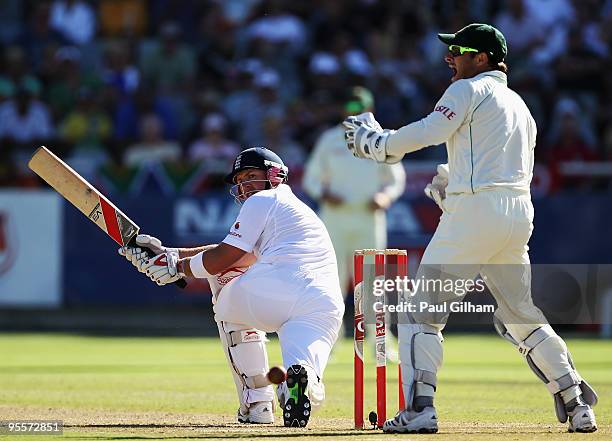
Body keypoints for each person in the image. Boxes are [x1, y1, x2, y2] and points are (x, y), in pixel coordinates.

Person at [343, 23, 598, 434]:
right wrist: (457, 185)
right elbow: (504, 170)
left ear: (481, 58)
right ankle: (575, 398)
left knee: (417, 313)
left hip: (477, 215)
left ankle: (420, 409)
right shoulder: (520, 106)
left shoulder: (468, 90)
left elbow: (430, 130)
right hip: (516, 216)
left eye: (457, 50)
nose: (450, 57)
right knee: (520, 314)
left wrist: (378, 144)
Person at [119, 147, 344, 428]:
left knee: (225, 290)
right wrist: (169, 254)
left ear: (275, 175)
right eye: (239, 181)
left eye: (250, 176)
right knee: (304, 367)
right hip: (325, 304)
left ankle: (258, 402)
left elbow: (224, 259)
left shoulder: (262, 200)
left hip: (281, 286)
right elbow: (234, 253)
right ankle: (299, 386)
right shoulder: (298, 211)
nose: (243, 186)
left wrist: (175, 267)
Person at [303, 87, 405, 298]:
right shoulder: (329, 139)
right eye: (350, 106)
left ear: (370, 109)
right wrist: (324, 193)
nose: (354, 111)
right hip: (334, 216)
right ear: (343, 109)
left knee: (372, 276)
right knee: (331, 276)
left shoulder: (380, 139)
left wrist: (385, 196)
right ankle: (332, 332)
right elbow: (310, 179)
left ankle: (377, 331)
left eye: (360, 107)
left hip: (368, 216)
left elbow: (396, 180)